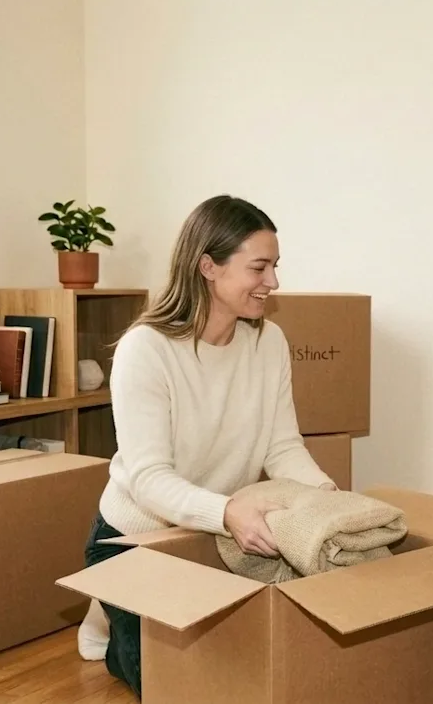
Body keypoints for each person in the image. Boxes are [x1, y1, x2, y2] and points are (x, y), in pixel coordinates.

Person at [75, 194, 338, 697]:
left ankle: (111, 611)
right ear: (208, 267)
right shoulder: (145, 350)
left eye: (276, 266)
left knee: (241, 672)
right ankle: (108, 610)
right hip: (136, 537)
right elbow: (150, 480)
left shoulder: (269, 342)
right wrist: (229, 513)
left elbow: (282, 447)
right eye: (259, 267)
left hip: (212, 533)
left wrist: (328, 498)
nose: (274, 282)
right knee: (171, 686)